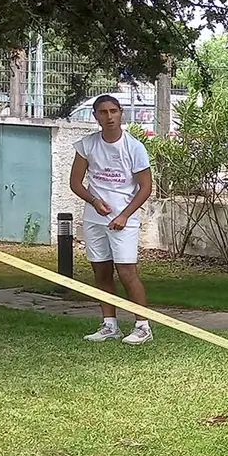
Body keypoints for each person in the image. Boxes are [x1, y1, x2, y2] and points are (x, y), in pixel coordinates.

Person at [68, 93, 155, 346]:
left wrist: (124, 215)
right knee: (101, 271)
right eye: (103, 112)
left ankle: (142, 325)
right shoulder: (87, 145)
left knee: (127, 272)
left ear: (120, 114)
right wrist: (94, 201)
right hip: (95, 219)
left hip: (124, 220)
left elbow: (145, 187)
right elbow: (75, 183)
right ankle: (109, 325)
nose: (109, 117)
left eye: (113, 111)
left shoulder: (134, 147)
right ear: (95, 116)